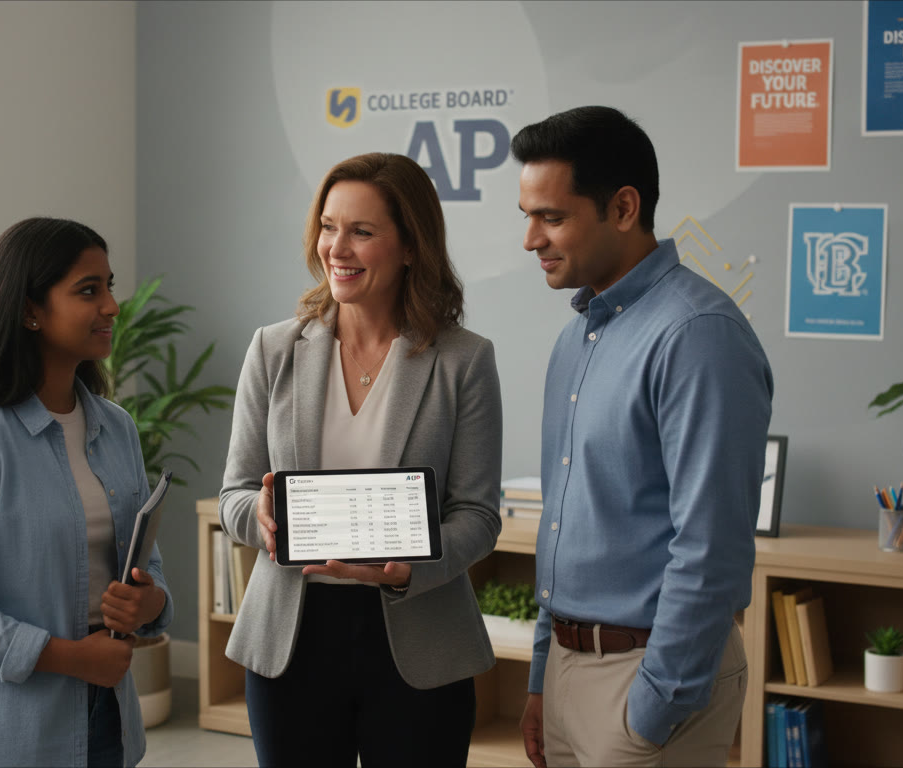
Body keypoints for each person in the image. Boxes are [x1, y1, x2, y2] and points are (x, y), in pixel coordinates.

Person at [218, 152, 503, 767]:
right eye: (327, 226)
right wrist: (260, 516)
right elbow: (235, 492)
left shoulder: (464, 361)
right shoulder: (273, 349)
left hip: (419, 639)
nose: (336, 248)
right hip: (290, 639)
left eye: (361, 231)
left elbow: (478, 516)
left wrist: (409, 570)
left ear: (410, 247)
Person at [511, 107, 773, 767]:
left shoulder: (698, 334)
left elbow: (712, 549)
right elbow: (563, 526)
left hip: (647, 683)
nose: (531, 240)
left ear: (624, 208)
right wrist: (544, 675)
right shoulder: (576, 340)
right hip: (570, 673)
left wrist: (655, 707)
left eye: (552, 217)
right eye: (527, 217)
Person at [0, 217, 173, 768]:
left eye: (109, 286)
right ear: (30, 310)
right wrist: (71, 658)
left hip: (110, 722)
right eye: (88, 290)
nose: (112, 307)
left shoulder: (116, 427)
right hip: (6, 741)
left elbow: (148, 567)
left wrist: (150, 602)